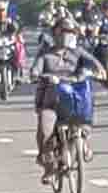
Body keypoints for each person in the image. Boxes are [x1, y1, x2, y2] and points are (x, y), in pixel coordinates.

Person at [35, 20, 98, 178]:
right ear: (55, 33)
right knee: (45, 132)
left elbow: (95, 64)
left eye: (70, 31)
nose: (66, 34)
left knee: (85, 112)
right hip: (51, 102)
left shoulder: (77, 52)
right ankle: (49, 168)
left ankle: (84, 141)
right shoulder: (46, 54)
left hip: (74, 98)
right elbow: (35, 70)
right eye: (62, 31)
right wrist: (38, 76)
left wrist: (100, 72)